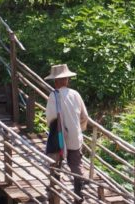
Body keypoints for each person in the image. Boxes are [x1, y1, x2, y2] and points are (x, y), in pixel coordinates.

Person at [45, 64, 88, 203]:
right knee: (76, 164)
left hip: (60, 136)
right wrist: (78, 129)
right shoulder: (75, 94)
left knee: (55, 161)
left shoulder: (54, 95)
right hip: (75, 136)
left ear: (56, 81)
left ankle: (55, 187)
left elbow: (51, 117)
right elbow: (84, 116)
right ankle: (78, 192)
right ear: (67, 80)